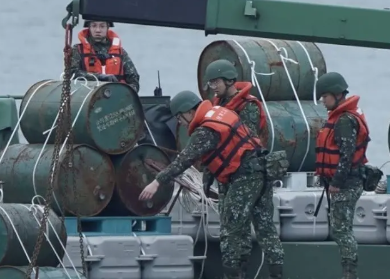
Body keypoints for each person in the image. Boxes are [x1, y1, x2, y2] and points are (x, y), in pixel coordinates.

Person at [139, 91, 284, 279]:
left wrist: (157, 182)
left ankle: (233, 275)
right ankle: (278, 274)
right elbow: (224, 150)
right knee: (265, 228)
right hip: (262, 172)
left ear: (188, 112)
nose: (180, 123)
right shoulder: (221, 114)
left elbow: (184, 159)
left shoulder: (206, 130)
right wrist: (208, 180)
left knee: (231, 232)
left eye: (179, 118)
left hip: (244, 179)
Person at [204, 58, 268, 276]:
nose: (213, 87)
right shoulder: (217, 107)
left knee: (236, 228)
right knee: (228, 228)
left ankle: (238, 272)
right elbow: (212, 143)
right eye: (210, 83)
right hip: (224, 174)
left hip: (243, 174)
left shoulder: (247, 106)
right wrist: (208, 174)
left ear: (229, 80)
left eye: (216, 82)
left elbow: (247, 143)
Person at [315, 72, 369, 279]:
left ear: (337, 95)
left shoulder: (345, 121)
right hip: (343, 182)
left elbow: (346, 155)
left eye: (325, 96)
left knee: (341, 230)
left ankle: (350, 273)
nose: (323, 101)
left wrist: (336, 182)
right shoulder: (340, 117)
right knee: (340, 228)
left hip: (347, 183)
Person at [69, 21, 140, 93]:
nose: (98, 30)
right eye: (94, 26)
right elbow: (72, 73)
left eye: (102, 26)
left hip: (116, 96)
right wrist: (99, 77)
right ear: (89, 28)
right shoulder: (78, 50)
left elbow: (133, 78)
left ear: (107, 27)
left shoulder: (120, 52)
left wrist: (126, 94)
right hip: (87, 96)